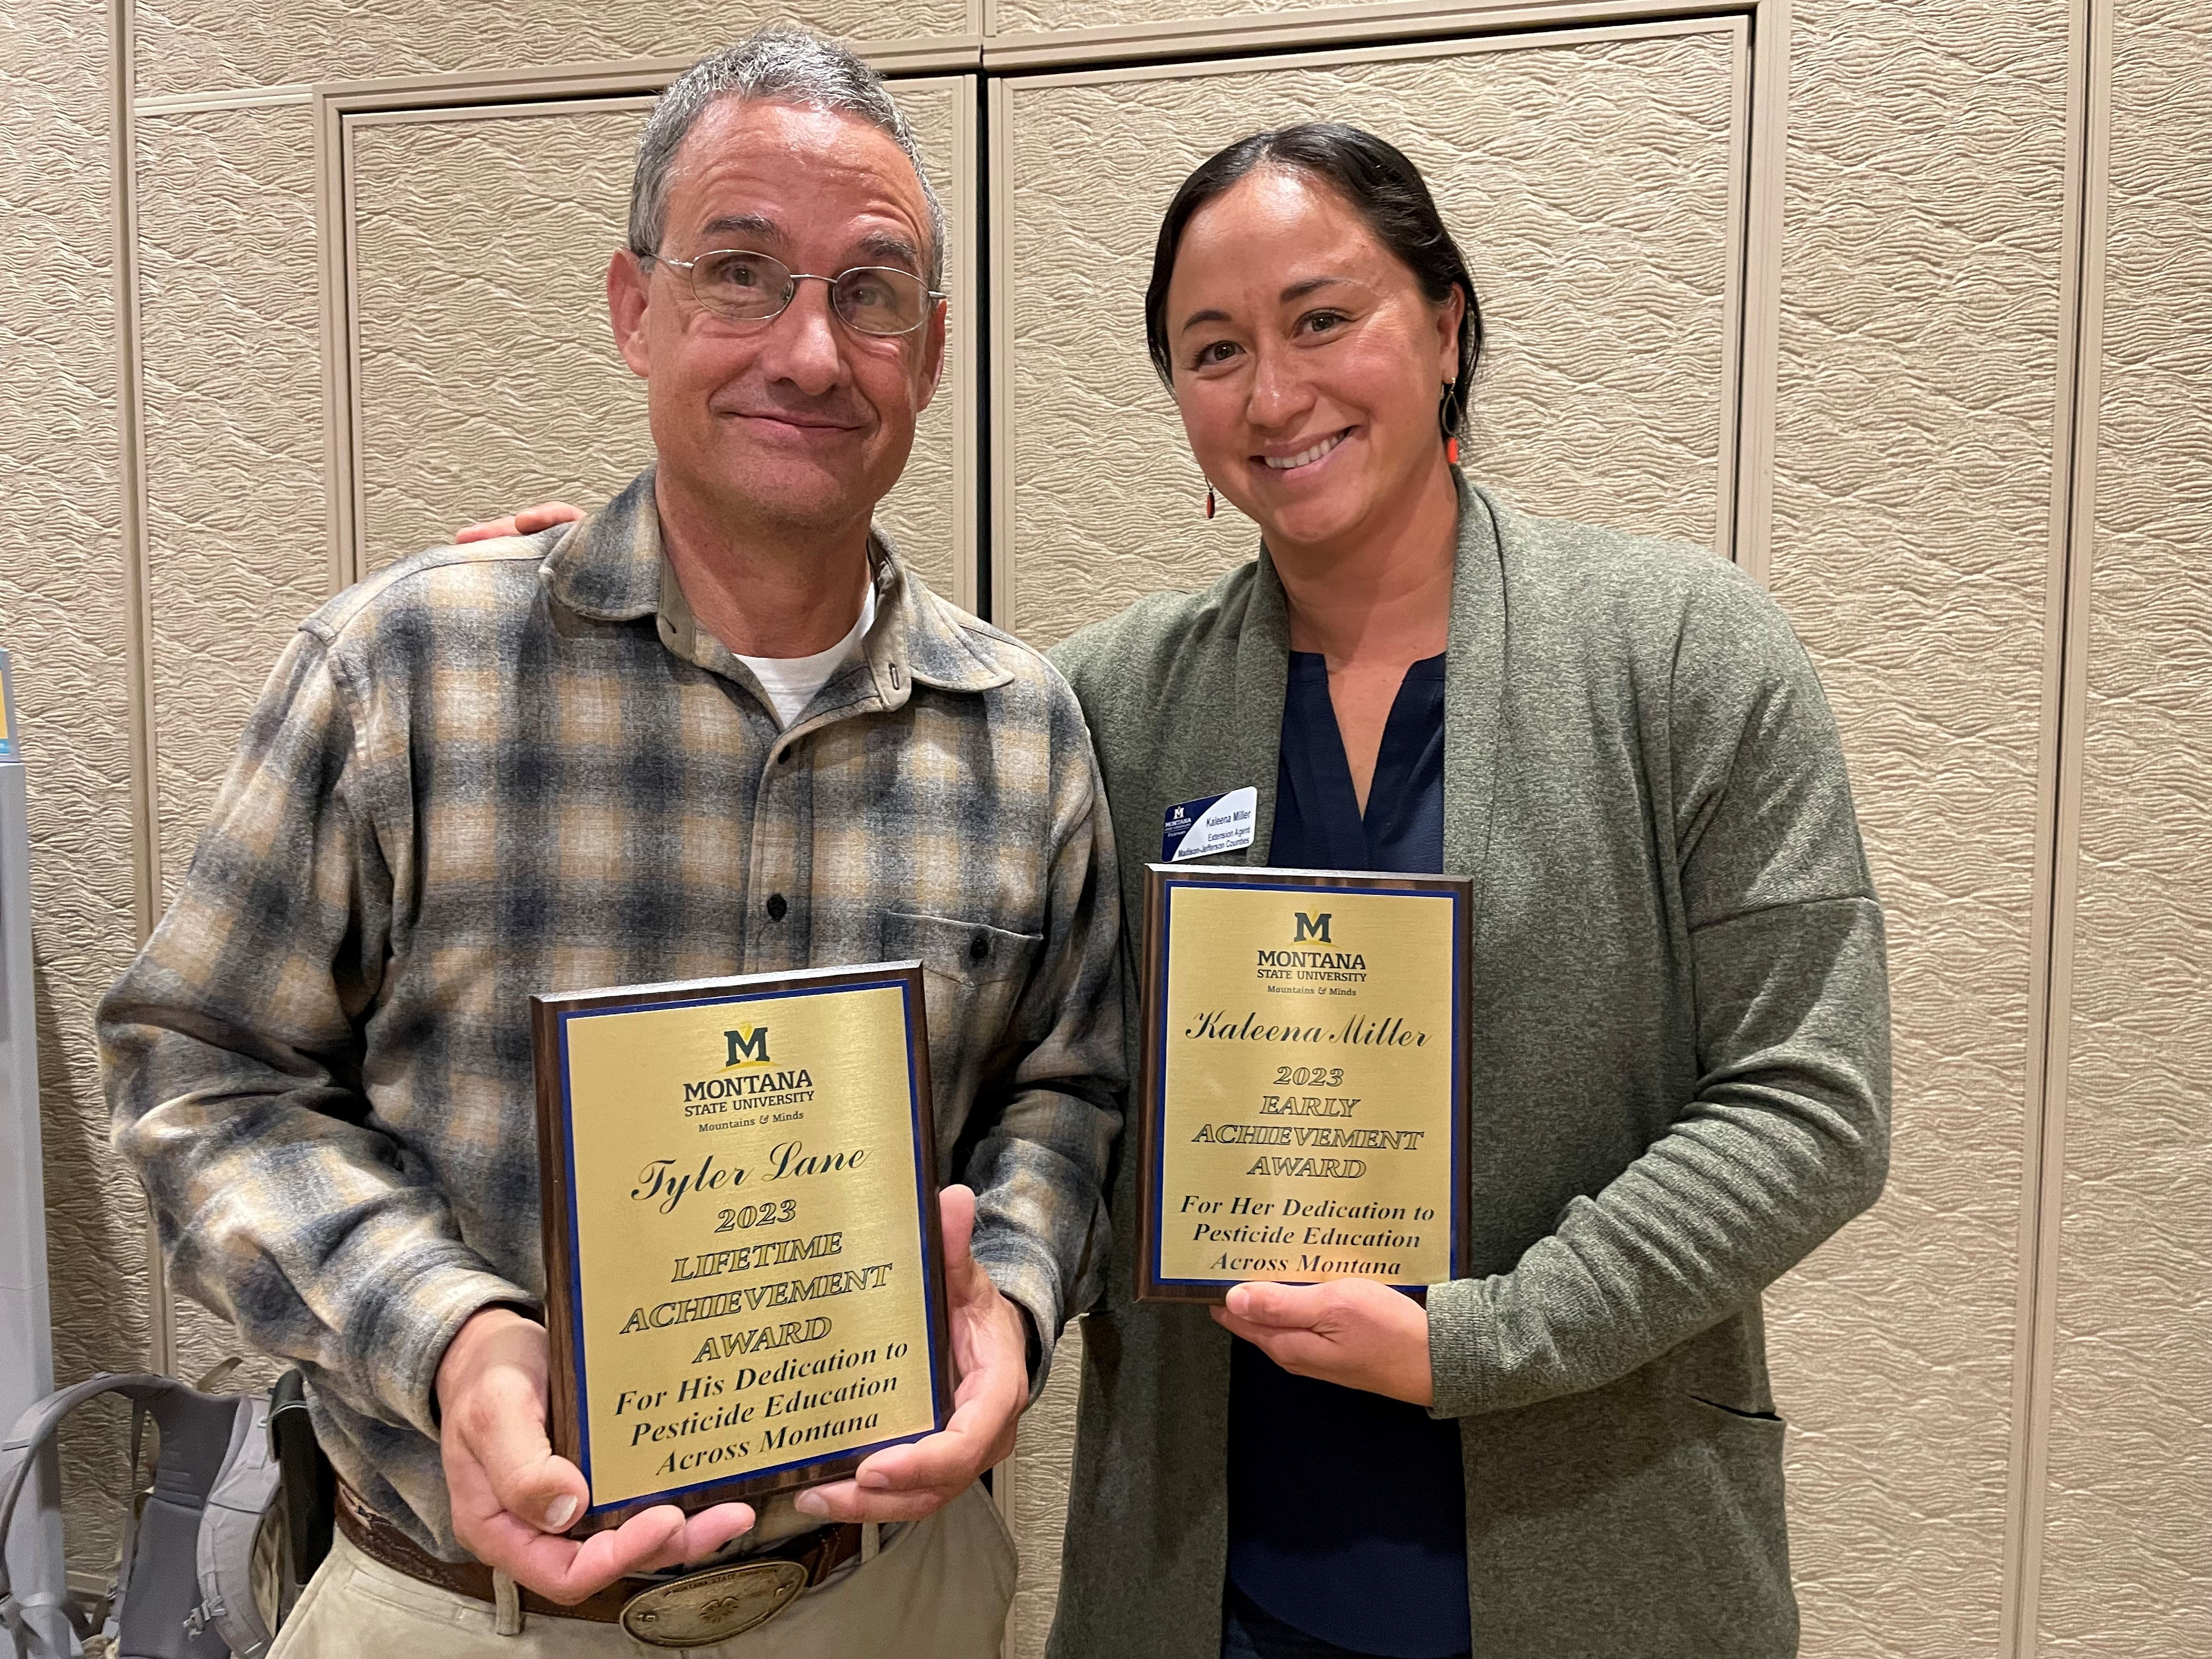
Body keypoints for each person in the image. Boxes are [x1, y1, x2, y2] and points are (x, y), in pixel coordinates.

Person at [464, 121, 1891, 1659]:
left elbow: (1807, 1105)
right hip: (1211, 1583)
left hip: (1599, 1550)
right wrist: (648, 592)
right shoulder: (1108, 702)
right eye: (1214, 350)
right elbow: (905, 876)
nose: (1275, 394)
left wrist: (1483, 1338)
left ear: (1448, 326)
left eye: (1323, 318)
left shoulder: (1682, 660)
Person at [98, 27, 1122, 1658]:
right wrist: (447, 1338)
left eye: (871, 293)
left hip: (890, 1599)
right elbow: (197, 1075)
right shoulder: (403, 672)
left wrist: (1007, 1289)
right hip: (459, 1609)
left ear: (931, 355)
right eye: (740, 273)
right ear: (634, 308)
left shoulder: (1020, 725)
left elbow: (1066, 1091)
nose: (808, 347)